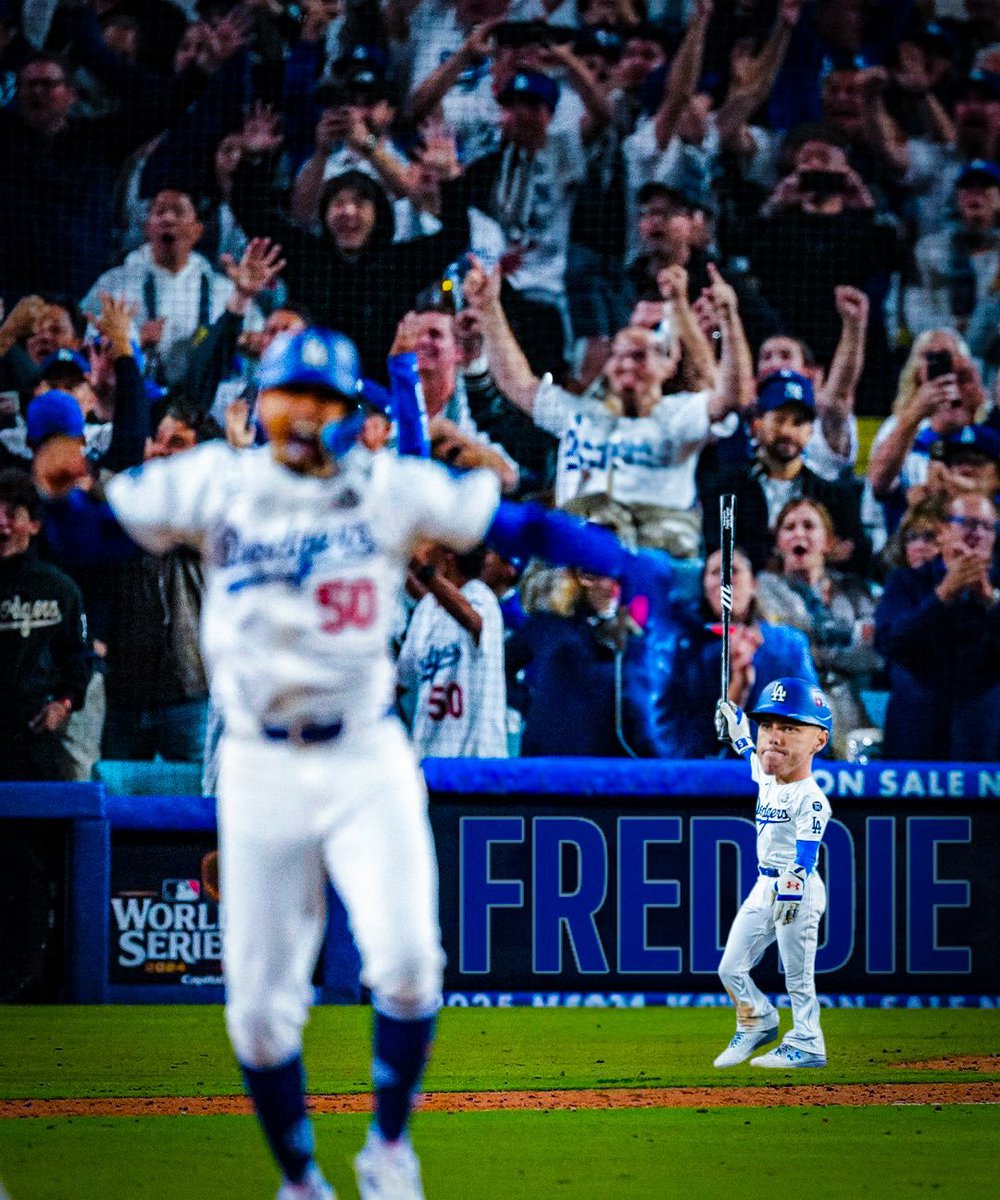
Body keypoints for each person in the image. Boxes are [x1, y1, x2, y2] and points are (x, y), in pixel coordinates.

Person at [33, 325, 663, 1199]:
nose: (307, 414)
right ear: (260, 403)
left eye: (327, 400)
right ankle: (299, 1180)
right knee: (257, 1016)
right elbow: (92, 536)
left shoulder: (385, 489)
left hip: (367, 749)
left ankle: (388, 1149)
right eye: (292, 395)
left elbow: (520, 522)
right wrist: (57, 473)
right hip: (259, 763)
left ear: (345, 413)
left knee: (410, 965)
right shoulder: (215, 481)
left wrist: (630, 566)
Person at [713, 679, 833, 1069]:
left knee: (797, 977)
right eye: (768, 726)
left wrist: (792, 889)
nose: (774, 738)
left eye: (790, 728)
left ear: (818, 740)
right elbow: (751, 754)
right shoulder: (768, 777)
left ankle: (808, 1042)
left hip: (795, 887)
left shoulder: (811, 798)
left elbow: (807, 854)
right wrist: (738, 731)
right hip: (765, 883)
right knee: (730, 967)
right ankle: (757, 1018)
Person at [875, 492, 1000, 762]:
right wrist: (944, 594)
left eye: (986, 526)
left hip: (985, 738)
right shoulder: (906, 581)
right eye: (967, 523)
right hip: (916, 734)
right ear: (943, 530)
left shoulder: (996, 590)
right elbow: (891, 643)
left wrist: (989, 601)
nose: (976, 534)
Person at [756, 498, 882, 757]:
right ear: (778, 544)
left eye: (809, 526)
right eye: (789, 528)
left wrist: (813, 643)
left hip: (849, 708)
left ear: (828, 542)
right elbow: (787, 648)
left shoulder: (853, 591)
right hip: (791, 708)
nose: (799, 533)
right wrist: (848, 638)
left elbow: (873, 653)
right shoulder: (764, 589)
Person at [0, 467, 91, 782]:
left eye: (12, 514)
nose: (2, 524)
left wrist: (63, 704)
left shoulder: (60, 589)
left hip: (38, 736)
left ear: (35, 525)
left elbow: (78, 660)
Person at [396, 543, 507, 759]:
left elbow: (472, 619)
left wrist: (422, 570)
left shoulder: (481, 596)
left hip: (477, 760)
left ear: (448, 558)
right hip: (428, 755)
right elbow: (403, 679)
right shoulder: (426, 609)